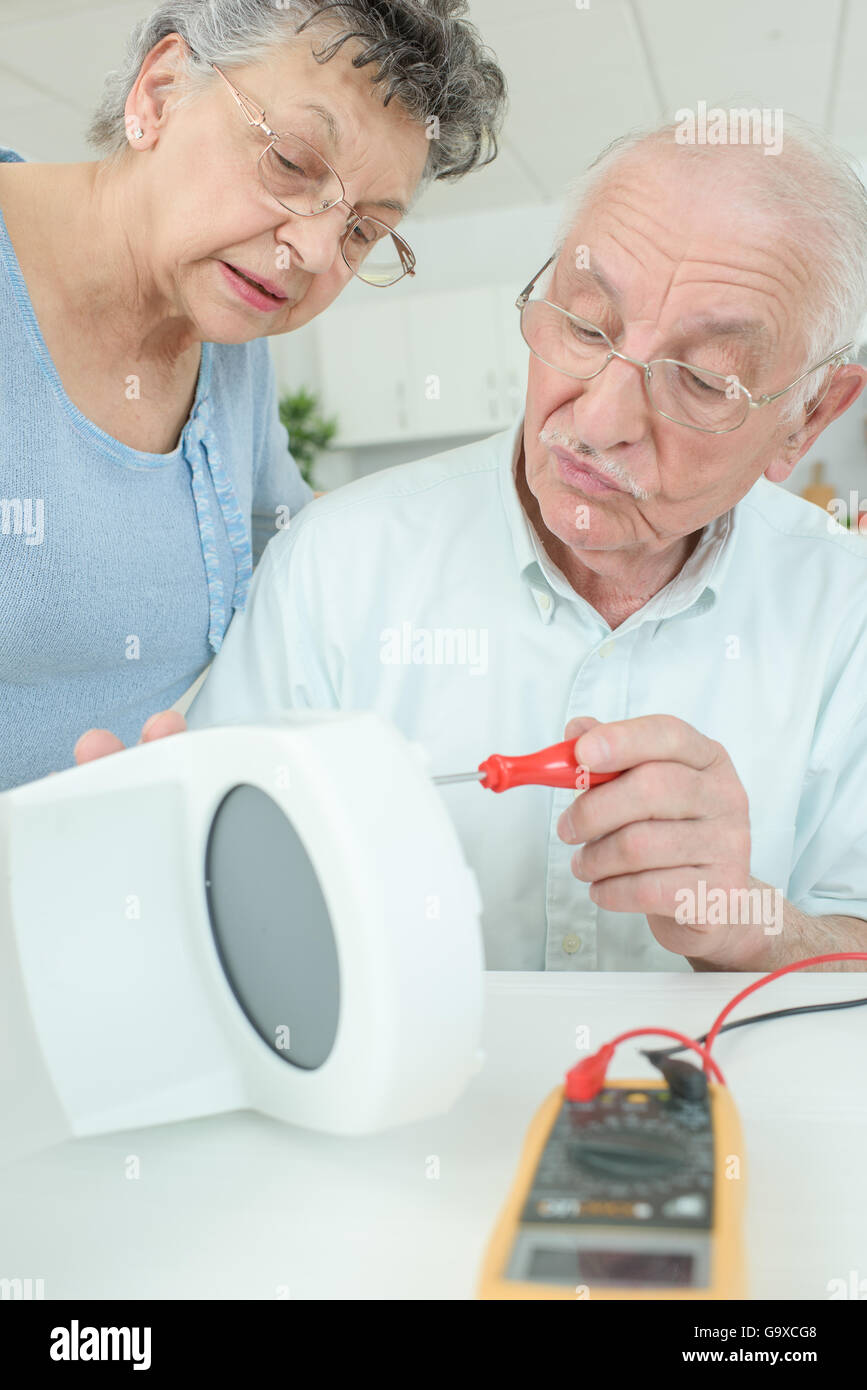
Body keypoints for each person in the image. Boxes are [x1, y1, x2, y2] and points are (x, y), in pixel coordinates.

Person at [78, 116, 867, 973]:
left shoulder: (844, 612)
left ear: (810, 416)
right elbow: (213, 896)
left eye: (705, 379)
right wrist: (167, 879)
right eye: (586, 323)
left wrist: (761, 931)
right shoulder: (336, 565)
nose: (597, 424)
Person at [0, 0, 505, 789]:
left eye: (361, 231)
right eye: (294, 162)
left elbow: (295, 553)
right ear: (159, 93)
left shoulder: (227, 340)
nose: (310, 251)